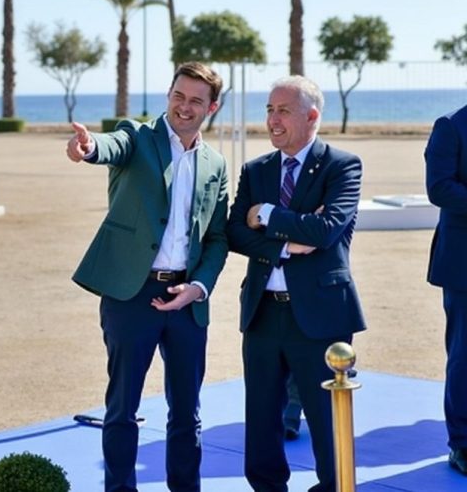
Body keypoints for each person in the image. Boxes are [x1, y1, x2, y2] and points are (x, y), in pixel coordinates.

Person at [67, 62, 230, 492]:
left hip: (187, 299)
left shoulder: (215, 164)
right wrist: (88, 147)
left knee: (187, 413)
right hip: (131, 295)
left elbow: (217, 238)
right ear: (168, 95)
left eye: (196, 100)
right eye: (178, 96)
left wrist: (198, 288)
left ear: (211, 108)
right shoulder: (138, 138)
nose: (184, 106)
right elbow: (110, 146)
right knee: (122, 409)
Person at [226, 75, 366, 492]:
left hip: (321, 317)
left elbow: (325, 230)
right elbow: (236, 233)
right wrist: (289, 244)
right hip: (263, 313)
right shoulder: (256, 170)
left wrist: (267, 214)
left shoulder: (342, 166)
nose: (272, 119)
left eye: (283, 111)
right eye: (269, 110)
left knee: (326, 418)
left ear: (312, 116)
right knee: (262, 418)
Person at [425, 104, 467, 476]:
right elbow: (439, 187)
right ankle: (462, 443)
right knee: (464, 357)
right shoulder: (451, 126)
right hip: (463, 265)